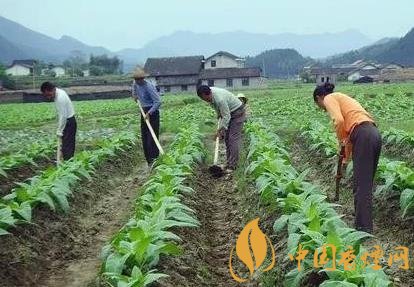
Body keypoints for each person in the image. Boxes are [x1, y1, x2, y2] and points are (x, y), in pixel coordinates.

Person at [313, 82, 382, 233]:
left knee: (361, 185)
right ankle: (364, 221)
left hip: (363, 136)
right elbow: (350, 134)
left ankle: (363, 229)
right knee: (365, 183)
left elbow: (339, 121)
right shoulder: (342, 97)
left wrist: (341, 141)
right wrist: (345, 157)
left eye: (320, 106)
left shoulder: (329, 98)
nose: (323, 109)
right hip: (373, 134)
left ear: (319, 98)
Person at [197, 85, 246, 173]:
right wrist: (218, 113)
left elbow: (226, 116)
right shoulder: (210, 93)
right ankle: (229, 163)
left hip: (237, 112)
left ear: (210, 94)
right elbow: (217, 107)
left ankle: (233, 166)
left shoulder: (220, 99)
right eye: (204, 99)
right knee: (227, 139)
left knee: (232, 139)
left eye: (207, 99)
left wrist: (220, 130)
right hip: (229, 112)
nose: (206, 101)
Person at [131, 68, 161, 166]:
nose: (137, 81)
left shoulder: (149, 87)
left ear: (143, 79)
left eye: (139, 79)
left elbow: (158, 102)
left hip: (152, 112)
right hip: (143, 111)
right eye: (136, 79)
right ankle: (149, 161)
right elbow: (134, 94)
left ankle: (155, 160)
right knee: (145, 137)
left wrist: (150, 112)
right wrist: (135, 97)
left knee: (152, 138)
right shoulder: (135, 84)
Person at [40, 81, 77, 161]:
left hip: (69, 122)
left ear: (53, 89)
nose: (48, 97)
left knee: (67, 146)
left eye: (49, 94)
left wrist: (60, 130)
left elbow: (63, 116)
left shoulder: (60, 98)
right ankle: (67, 162)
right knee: (66, 145)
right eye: (46, 95)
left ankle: (69, 165)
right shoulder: (59, 92)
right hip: (68, 121)